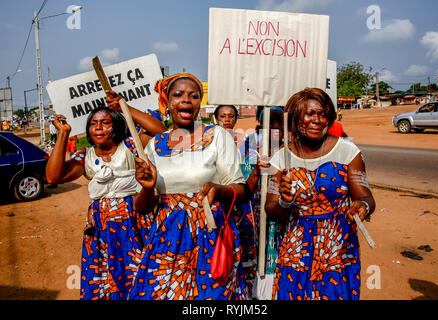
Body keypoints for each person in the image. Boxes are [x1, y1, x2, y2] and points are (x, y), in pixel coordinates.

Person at [127, 73, 248, 300]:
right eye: (178, 95)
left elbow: (241, 190)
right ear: (167, 103)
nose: (186, 100)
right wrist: (146, 188)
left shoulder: (217, 136)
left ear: (199, 105)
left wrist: (220, 190)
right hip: (167, 240)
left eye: (193, 96)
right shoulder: (153, 146)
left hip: (210, 236)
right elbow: (142, 208)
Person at [265, 88, 376, 300]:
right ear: (296, 117)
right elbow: (270, 209)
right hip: (296, 248)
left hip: (338, 247)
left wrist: (363, 206)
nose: (317, 120)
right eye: (309, 114)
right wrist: (284, 201)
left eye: (323, 114)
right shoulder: (280, 159)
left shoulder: (348, 152)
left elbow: (365, 196)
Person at [45, 106, 165, 300]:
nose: (98, 128)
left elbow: (161, 134)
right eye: (93, 124)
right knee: (104, 277)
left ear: (116, 125)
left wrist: (125, 108)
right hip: (101, 231)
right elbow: (53, 176)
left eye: (105, 123)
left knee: (140, 275)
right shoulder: (86, 156)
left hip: (136, 224)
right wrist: (63, 134)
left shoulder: (131, 145)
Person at [238, 106, 285, 299]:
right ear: (259, 125)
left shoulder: (293, 151)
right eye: (269, 122)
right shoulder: (250, 151)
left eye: (279, 122)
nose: (274, 127)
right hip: (255, 217)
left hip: (282, 218)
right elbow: (243, 189)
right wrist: (257, 171)